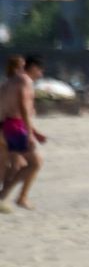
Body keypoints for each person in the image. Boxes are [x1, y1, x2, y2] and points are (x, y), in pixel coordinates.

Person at [0, 55, 48, 212]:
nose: (41, 73)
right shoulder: (25, 80)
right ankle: (12, 196)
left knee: (16, 165)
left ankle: (9, 197)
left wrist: (34, 131)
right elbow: (23, 108)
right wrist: (30, 134)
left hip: (7, 125)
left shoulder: (10, 81)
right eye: (40, 70)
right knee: (35, 162)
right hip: (13, 126)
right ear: (33, 68)